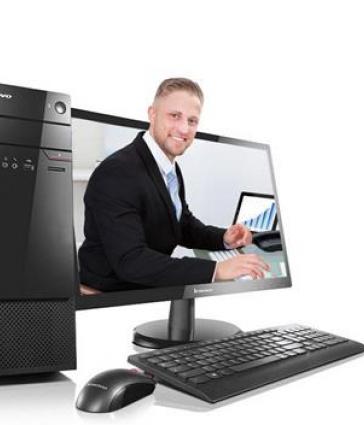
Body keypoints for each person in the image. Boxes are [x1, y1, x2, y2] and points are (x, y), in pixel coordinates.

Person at [78, 78, 269, 292]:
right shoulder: (117, 172)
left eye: (192, 121)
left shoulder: (168, 168)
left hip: (143, 286)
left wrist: (223, 238)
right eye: (175, 116)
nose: (184, 128)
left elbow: (181, 224)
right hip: (109, 293)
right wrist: (216, 270)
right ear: (152, 114)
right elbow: (131, 261)